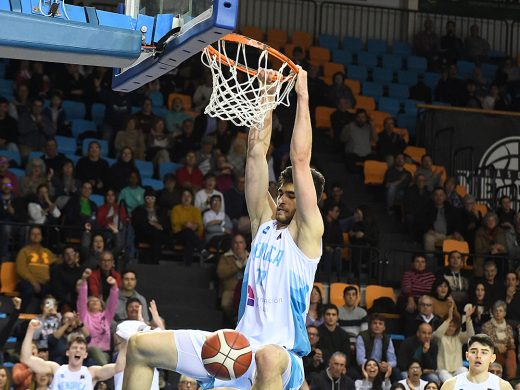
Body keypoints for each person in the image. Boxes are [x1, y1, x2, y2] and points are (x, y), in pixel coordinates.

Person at [123, 68, 326, 389]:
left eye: (292, 195)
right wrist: (267, 94)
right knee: (140, 346)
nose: (285, 200)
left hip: (283, 357)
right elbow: (256, 151)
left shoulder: (307, 234)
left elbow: (301, 161)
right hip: (237, 348)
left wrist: (302, 96)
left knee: (267, 358)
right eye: (282, 193)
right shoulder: (263, 222)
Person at [20, 319, 126, 389]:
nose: (78, 350)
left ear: (85, 355)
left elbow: (119, 368)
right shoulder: (56, 369)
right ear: (67, 352)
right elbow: (26, 359)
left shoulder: (92, 372)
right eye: (74, 347)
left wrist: (124, 343)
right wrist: (30, 330)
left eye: (81, 348)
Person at [77, 268, 119, 366]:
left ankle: (105, 369)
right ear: (87, 306)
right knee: (92, 349)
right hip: (86, 353)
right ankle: (106, 370)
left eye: (97, 301)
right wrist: (84, 280)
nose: (94, 302)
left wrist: (114, 285)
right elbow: (82, 298)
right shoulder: (85, 316)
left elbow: (113, 302)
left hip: (104, 354)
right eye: (91, 301)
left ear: (102, 305)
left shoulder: (106, 316)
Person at [440, 333, 512, 389]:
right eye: (473, 352)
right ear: (467, 356)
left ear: (492, 358)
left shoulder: (503, 386)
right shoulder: (451, 385)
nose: (478, 356)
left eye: (484, 352)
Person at [16, 226, 58, 311]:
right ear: (29, 236)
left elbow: (57, 261)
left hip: (44, 283)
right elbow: (21, 269)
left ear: (41, 237)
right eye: (33, 234)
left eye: (38, 234)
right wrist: (34, 282)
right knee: (28, 289)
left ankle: (44, 317)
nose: (35, 236)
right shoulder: (24, 251)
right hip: (28, 282)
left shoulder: (47, 251)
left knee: (54, 290)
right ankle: (20, 314)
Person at [433, 305, 475, 382]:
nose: (451, 328)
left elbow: (471, 336)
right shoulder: (439, 336)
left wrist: (468, 319)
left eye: (453, 326)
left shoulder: (459, 337)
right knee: (449, 380)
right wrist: (449, 319)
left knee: (464, 370)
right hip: (443, 370)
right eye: (449, 325)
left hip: (457, 369)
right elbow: (436, 334)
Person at [216, 233, 249, 322]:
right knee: (225, 304)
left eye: (241, 243)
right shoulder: (225, 257)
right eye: (236, 243)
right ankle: (233, 320)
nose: (238, 246)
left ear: (245, 245)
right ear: (232, 244)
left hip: (248, 291)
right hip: (230, 290)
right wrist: (239, 264)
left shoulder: (252, 257)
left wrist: (246, 261)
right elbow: (221, 273)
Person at [481, 301, 516, 379]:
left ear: (504, 313)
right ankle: (496, 377)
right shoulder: (486, 326)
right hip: (493, 352)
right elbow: (486, 342)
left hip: (506, 353)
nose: (498, 313)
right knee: (496, 351)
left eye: (500, 311)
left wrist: (510, 344)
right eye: (496, 311)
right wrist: (497, 345)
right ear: (493, 312)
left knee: (511, 353)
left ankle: (511, 379)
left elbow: (512, 345)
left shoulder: (508, 327)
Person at [356, 314, 397, 381]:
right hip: (366, 367)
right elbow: (360, 360)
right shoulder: (362, 337)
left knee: (396, 372)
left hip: (382, 368)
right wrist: (376, 365)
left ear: (384, 327)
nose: (377, 325)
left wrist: (387, 365)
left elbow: (393, 361)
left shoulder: (387, 339)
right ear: (370, 325)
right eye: (375, 323)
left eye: (380, 324)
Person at [170, 188, 203, 266]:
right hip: (178, 235)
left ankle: (187, 266)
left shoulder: (196, 210)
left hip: (192, 236)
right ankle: (202, 249)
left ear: (192, 198)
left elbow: (200, 226)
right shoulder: (176, 209)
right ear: (180, 198)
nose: (186, 198)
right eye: (184, 195)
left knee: (189, 241)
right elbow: (174, 223)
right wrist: (185, 224)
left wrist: (194, 227)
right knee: (188, 231)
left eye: (189, 196)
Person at [398, 254, 436, 321]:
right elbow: (406, 287)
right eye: (417, 261)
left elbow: (435, 290)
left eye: (423, 262)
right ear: (413, 263)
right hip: (410, 299)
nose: (420, 264)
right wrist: (410, 299)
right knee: (410, 312)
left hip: (425, 302)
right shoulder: (408, 274)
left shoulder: (431, 276)